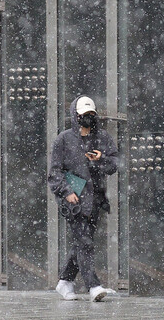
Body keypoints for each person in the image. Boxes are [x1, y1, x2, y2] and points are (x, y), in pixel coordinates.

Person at [48, 95, 118, 301]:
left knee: (81, 242)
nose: (88, 118)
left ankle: (65, 282)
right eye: (84, 115)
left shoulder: (102, 138)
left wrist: (101, 158)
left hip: (95, 200)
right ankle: (93, 286)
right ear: (75, 116)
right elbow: (55, 172)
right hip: (74, 202)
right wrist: (66, 191)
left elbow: (115, 164)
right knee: (85, 242)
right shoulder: (64, 139)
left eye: (91, 115)